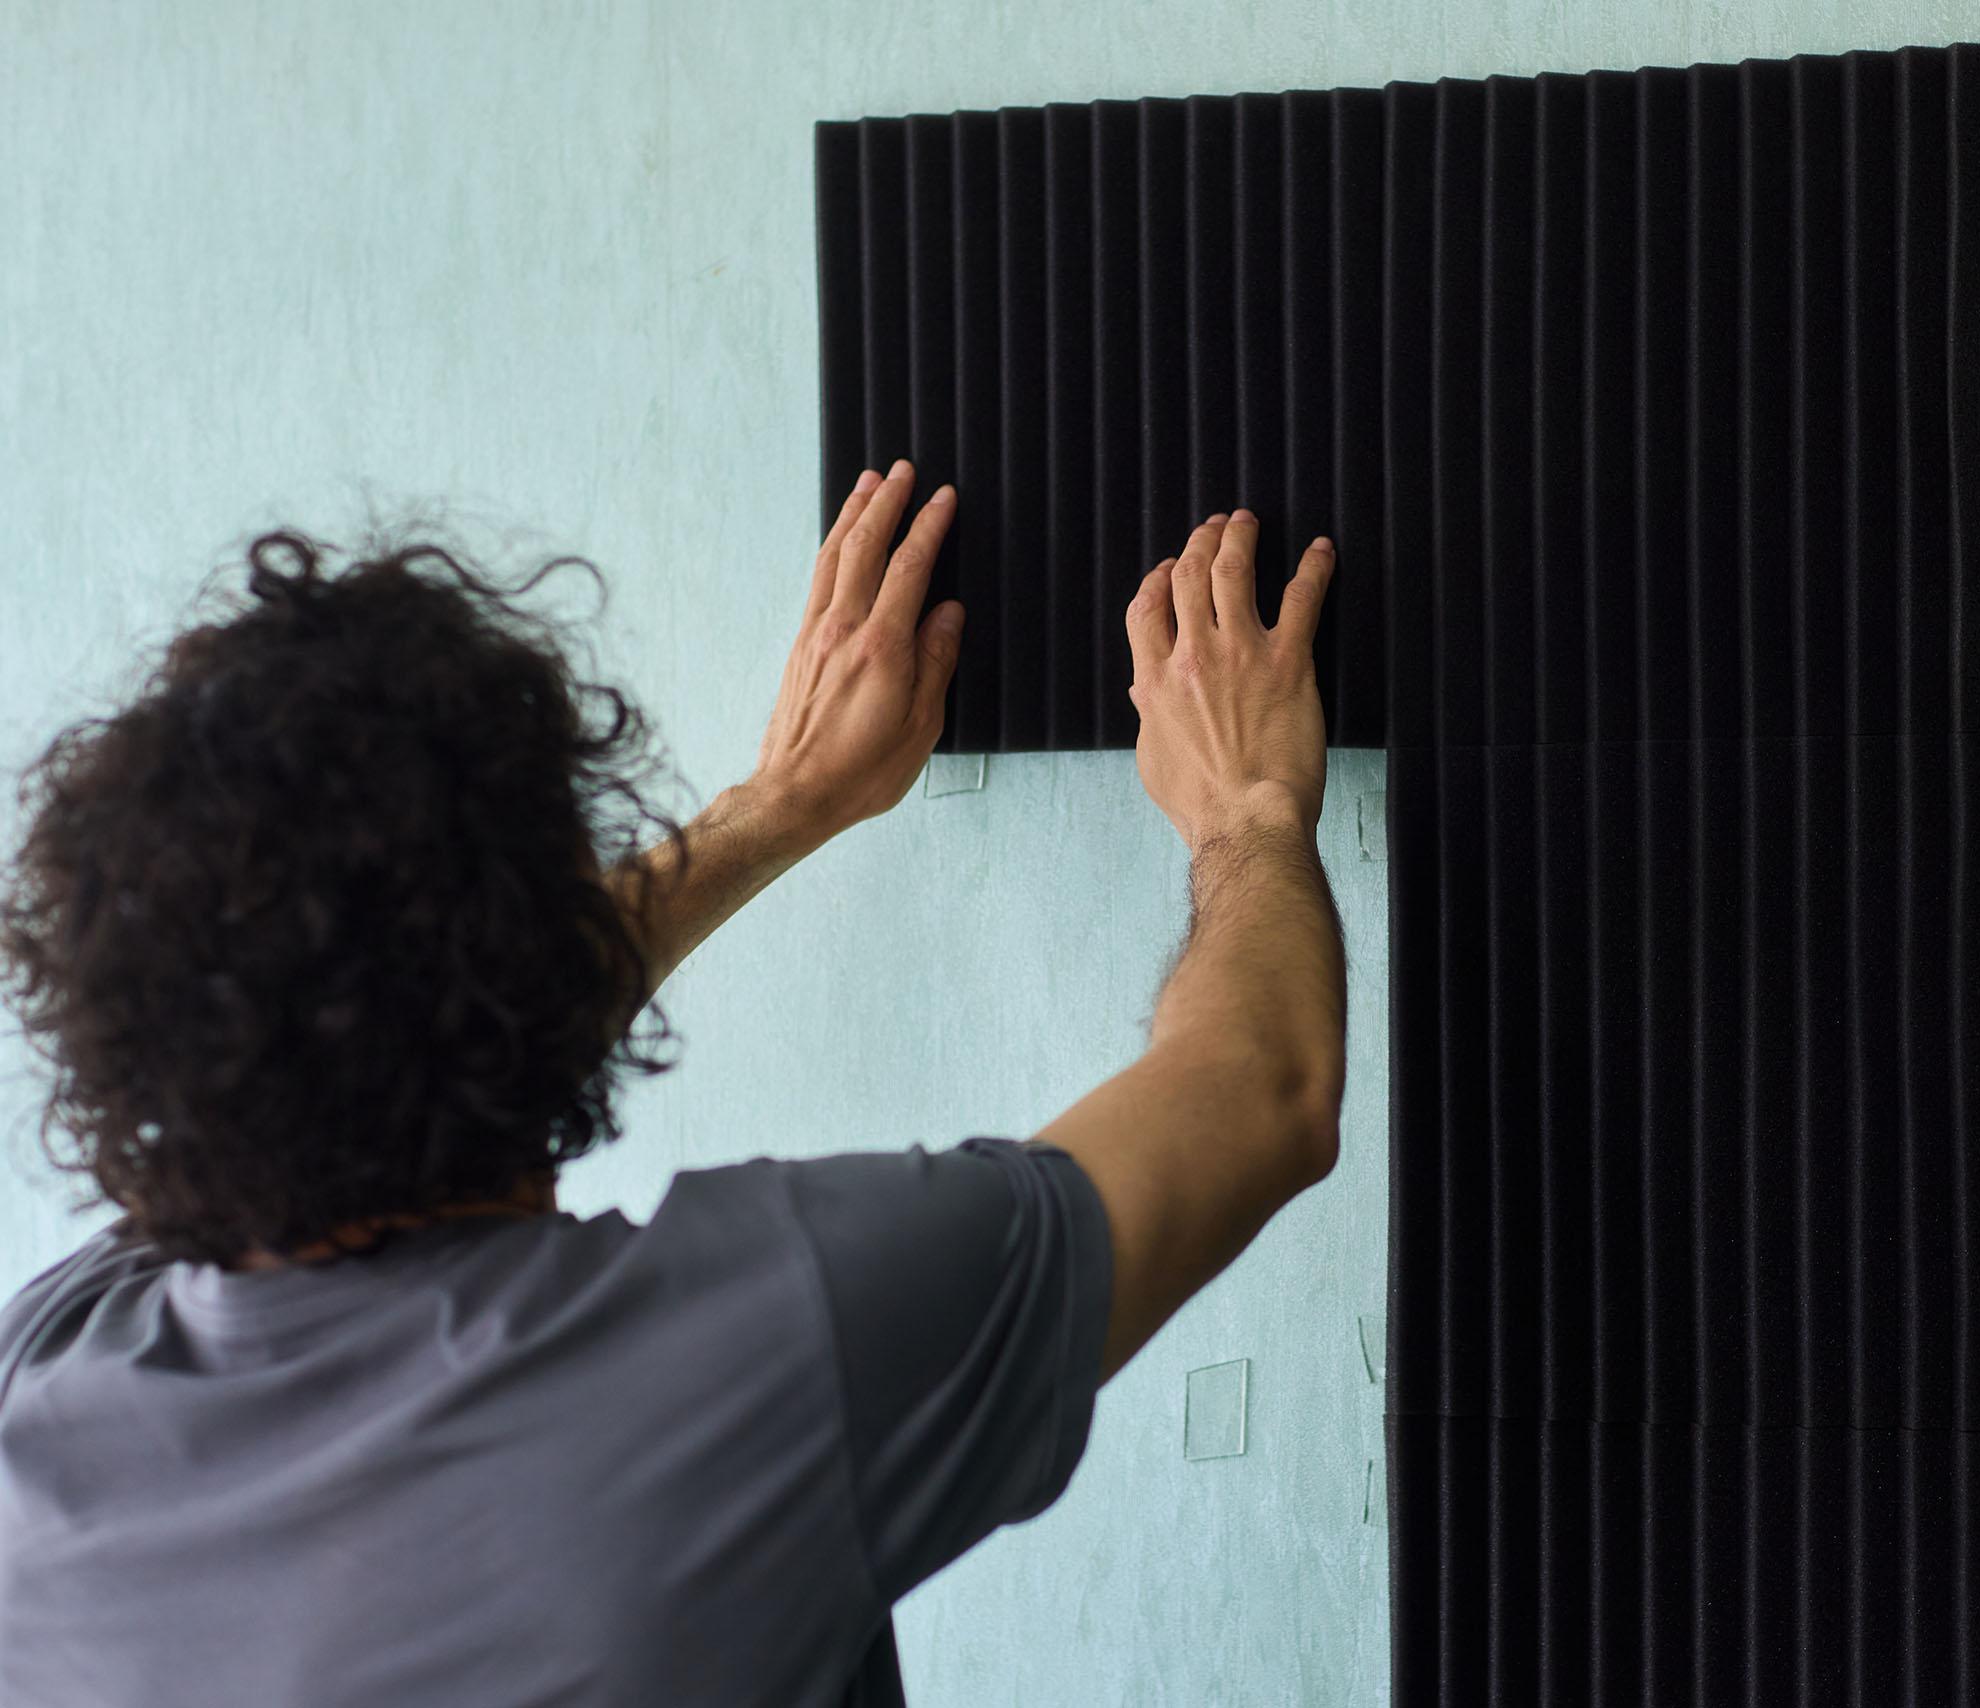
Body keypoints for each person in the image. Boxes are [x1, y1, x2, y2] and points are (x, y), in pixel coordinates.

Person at [0, 459, 1347, 1706]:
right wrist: (1246, 810)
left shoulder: (45, 1382)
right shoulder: (758, 1355)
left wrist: (782, 803)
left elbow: (350, 1053)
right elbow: (1262, 1091)